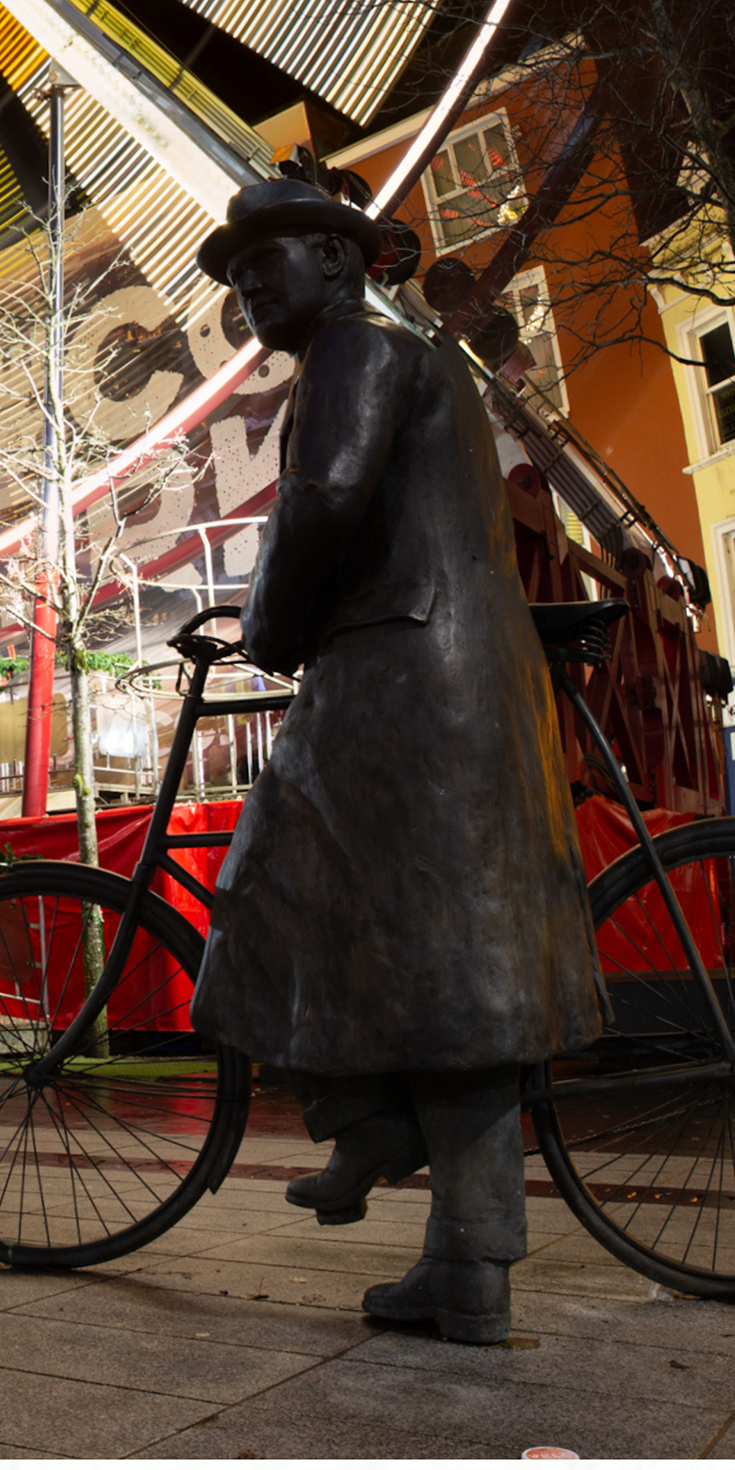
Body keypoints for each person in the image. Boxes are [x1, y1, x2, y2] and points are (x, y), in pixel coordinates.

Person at [187, 170, 604, 1345]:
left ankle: (385, 1141)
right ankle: (402, 1167)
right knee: (432, 944)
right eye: (237, 265)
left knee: (296, 894)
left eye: (267, 256)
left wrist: (266, 627)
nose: (248, 282)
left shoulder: (359, 349)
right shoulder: (411, 351)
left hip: (409, 672)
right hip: (448, 665)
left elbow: (320, 497)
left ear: (336, 256)